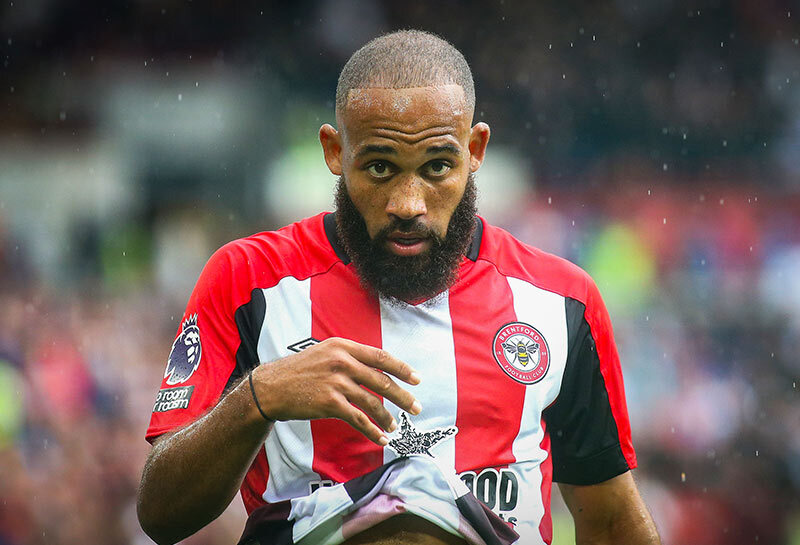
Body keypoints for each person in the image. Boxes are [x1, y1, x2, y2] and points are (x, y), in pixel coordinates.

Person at [137, 30, 661, 545]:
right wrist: (259, 397)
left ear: (475, 150)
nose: (408, 203)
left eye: (437, 167)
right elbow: (162, 515)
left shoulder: (560, 301)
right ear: (335, 151)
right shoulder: (248, 280)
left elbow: (612, 520)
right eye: (381, 167)